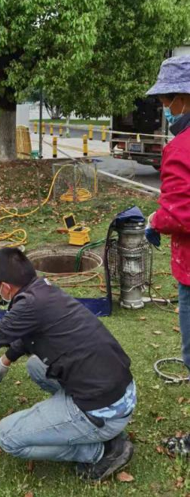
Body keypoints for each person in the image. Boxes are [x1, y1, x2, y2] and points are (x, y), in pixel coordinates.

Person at [0, 247, 136, 482]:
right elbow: (28, 333)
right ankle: (98, 430)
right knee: (35, 366)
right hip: (119, 391)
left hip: (102, 409)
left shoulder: (28, 305)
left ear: (5, 286)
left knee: (8, 436)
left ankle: (101, 451)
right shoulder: (44, 290)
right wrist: (5, 361)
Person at [144, 55, 190, 455]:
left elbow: (181, 212)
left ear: (183, 99)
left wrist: (155, 221)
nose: (164, 109)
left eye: (166, 101)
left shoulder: (181, 147)